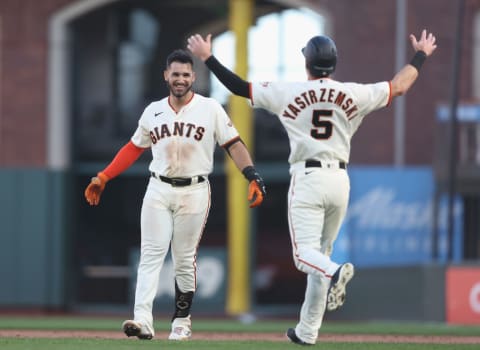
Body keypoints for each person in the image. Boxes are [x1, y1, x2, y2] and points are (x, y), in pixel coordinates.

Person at [187, 29, 437, 345]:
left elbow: (238, 87)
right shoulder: (354, 93)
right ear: (333, 64)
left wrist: (208, 57)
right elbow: (400, 86)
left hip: (308, 179)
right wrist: (421, 54)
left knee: (305, 256)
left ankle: (336, 271)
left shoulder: (288, 91)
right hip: (340, 181)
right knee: (320, 255)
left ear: (307, 62)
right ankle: (307, 332)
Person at [84, 49, 266, 341]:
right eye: (175, 74)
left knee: (183, 259)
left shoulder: (211, 109)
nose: (180, 79)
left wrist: (252, 175)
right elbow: (133, 147)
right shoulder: (153, 110)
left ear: (193, 77)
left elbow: (234, 143)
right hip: (158, 187)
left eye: (185, 74)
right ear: (165, 76)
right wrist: (104, 175)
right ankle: (143, 320)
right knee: (150, 256)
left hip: (195, 189)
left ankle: (182, 321)